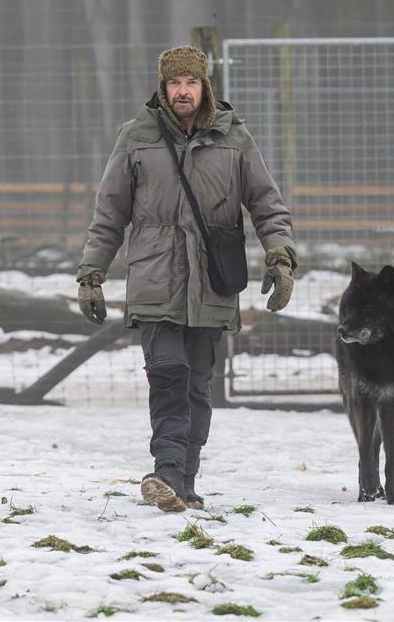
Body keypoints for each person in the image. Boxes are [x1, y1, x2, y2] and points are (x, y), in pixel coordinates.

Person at [76, 46, 296, 513]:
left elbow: (266, 203)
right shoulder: (136, 136)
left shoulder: (234, 138)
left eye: (190, 82)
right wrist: (91, 274)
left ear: (204, 86)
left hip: (214, 281)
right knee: (168, 375)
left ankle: (185, 483)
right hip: (155, 278)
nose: (182, 91)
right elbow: (109, 212)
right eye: (174, 83)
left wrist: (280, 257)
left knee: (198, 384)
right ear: (163, 87)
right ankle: (166, 472)